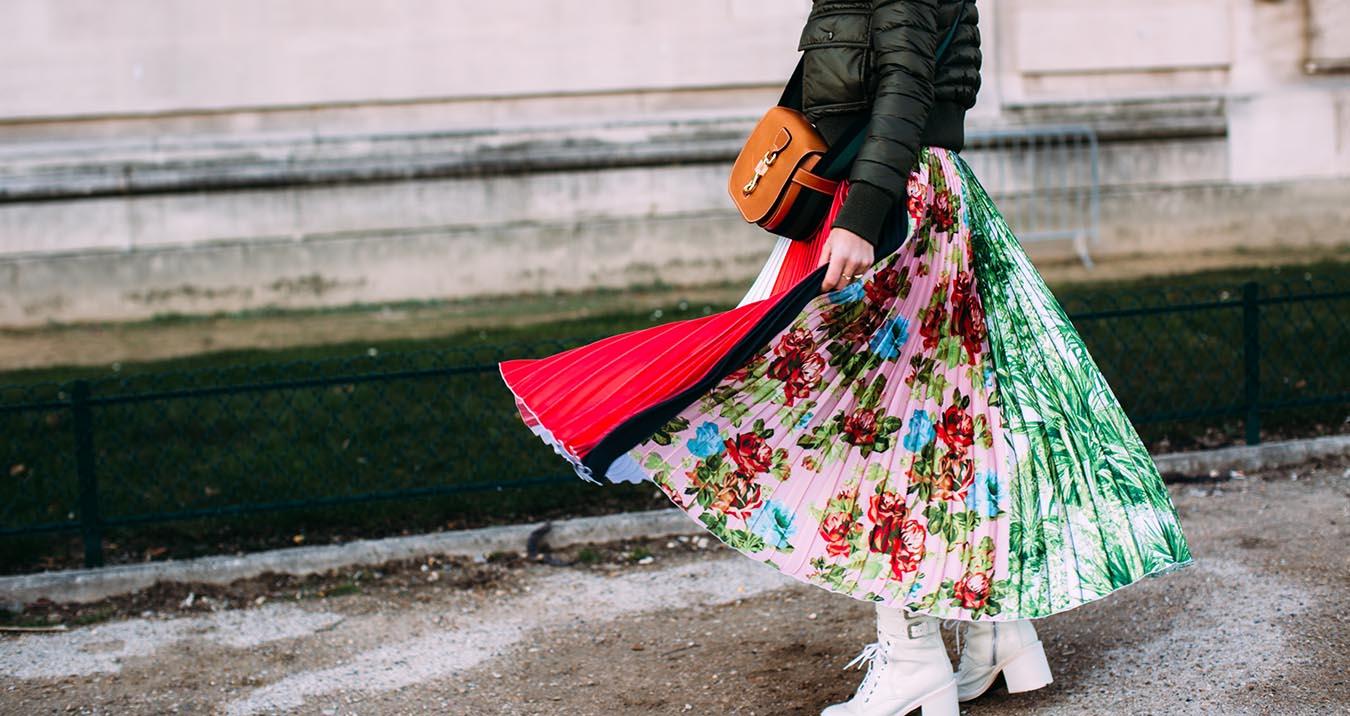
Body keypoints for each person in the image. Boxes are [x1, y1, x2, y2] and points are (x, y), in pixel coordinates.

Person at [499, 1, 1193, 714]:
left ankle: (913, 655)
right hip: (912, 192)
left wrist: (860, 220)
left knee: (870, 426)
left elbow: (902, 88)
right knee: (941, 414)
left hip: (887, 204)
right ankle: (998, 634)